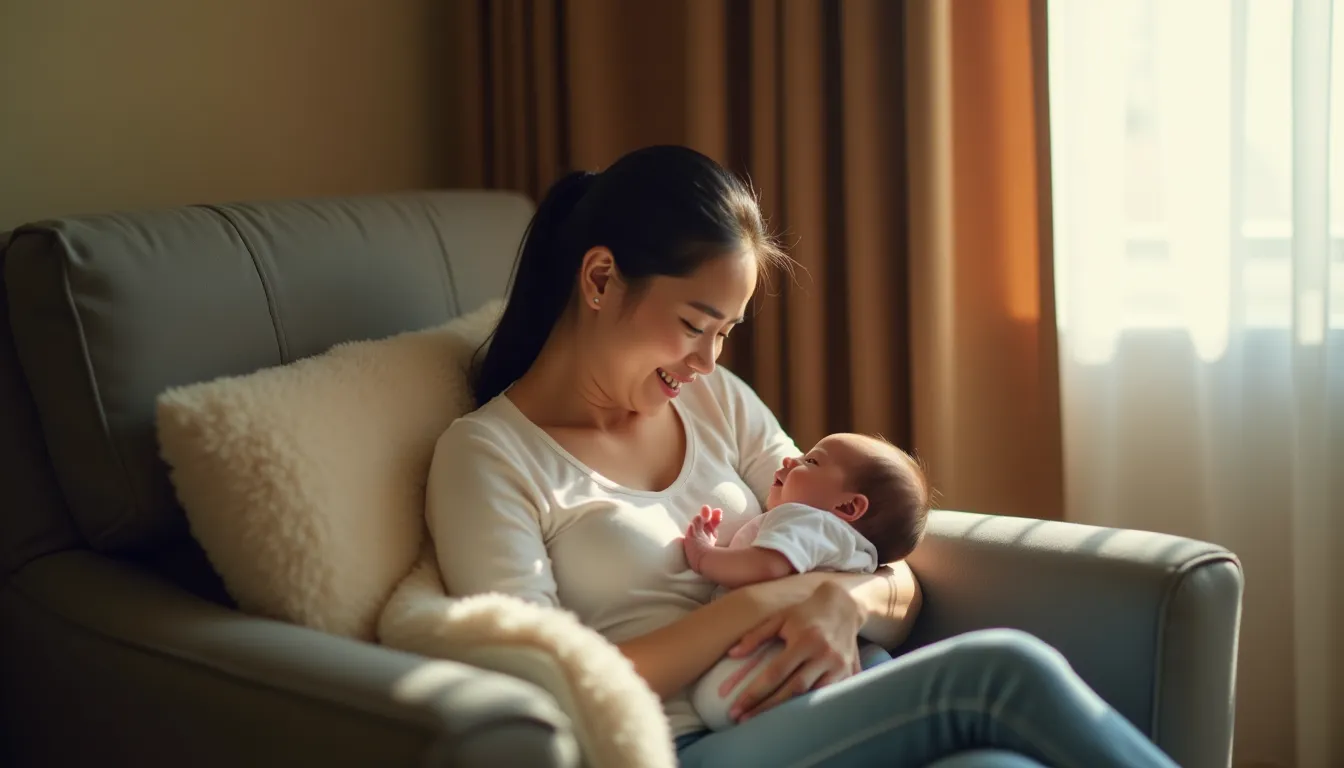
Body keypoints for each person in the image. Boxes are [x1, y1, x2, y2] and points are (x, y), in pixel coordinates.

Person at [425, 145, 1178, 767]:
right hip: (680, 742)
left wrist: (838, 603)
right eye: (695, 323)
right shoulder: (489, 458)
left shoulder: (715, 403)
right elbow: (553, 685)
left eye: (726, 333)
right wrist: (768, 601)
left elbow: (890, 576)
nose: (708, 359)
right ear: (599, 279)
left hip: (821, 705)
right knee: (1002, 671)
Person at [681, 433, 931, 731]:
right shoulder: (854, 546)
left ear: (849, 507)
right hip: (852, 652)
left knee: (714, 702)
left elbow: (765, 567)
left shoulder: (804, 519)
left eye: (810, 460)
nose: (790, 459)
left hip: (778, 653)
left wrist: (704, 555)